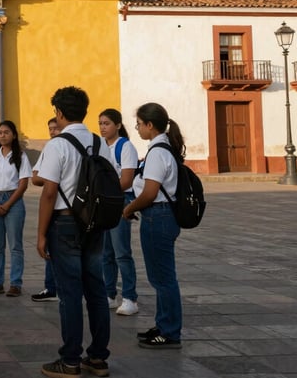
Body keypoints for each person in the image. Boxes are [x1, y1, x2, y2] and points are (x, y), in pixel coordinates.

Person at [36, 87, 113, 378]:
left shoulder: (57, 145)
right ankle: (98, 358)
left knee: (69, 293)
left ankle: (70, 360)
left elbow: (48, 192)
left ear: (59, 112)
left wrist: (41, 234)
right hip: (94, 223)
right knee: (95, 289)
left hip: (65, 222)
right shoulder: (99, 142)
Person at [123, 103, 184, 349]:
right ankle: (163, 324)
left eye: (138, 124)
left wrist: (129, 208)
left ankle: (170, 332)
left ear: (150, 125)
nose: (137, 128)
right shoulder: (160, 148)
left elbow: (150, 192)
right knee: (160, 277)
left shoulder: (158, 152)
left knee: (164, 278)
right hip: (159, 216)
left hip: (157, 216)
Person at [0, 119, 31, 297]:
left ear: (14, 135)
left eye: (6, 132)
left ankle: (16, 283)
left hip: (14, 201)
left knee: (15, 245)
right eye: (0, 133)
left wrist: (8, 204)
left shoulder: (21, 156)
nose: (2, 135)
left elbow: (23, 183)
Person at [99, 108, 140, 317]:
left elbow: (127, 180)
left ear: (117, 125)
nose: (103, 127)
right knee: (106, 252)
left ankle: (130, 297)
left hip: (119, 201)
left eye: (106, 123)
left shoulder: (125, 147)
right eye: (100, 123)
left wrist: (106, 190)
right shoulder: (100, 146)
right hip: (104, 202)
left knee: (121, 252)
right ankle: (109, 294)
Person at [30, 117, 61, 302]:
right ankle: (51, 287)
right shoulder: (49, 148)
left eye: (56, 128)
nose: (52, 132)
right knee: (50, 248)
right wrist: (53, 177)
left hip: (63, 206)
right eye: (50, 128)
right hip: (55, 206)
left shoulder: (62, 147)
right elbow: (35, 178)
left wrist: (50, 176)